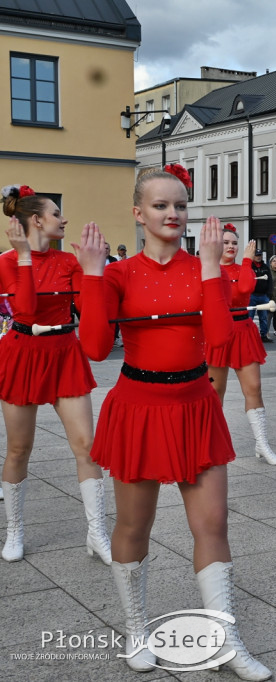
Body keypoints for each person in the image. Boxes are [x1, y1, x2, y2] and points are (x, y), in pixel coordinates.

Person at [76, 166, 270, 678]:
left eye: (181, 205)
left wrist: (210, 270)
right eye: (161, 206)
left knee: (212, 524)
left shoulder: (204, 265)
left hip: (195, 405)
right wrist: (93, 274)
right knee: (134, 526)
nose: (174, 214)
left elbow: (223, 343)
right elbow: (95, 347)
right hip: (138, 408)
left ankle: (225, 641)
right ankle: (136, 629)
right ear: (139, 213)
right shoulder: (118, 274)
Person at [0, 184, 110, 564]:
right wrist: (25, 257)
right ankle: (14, 530)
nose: (64, 219)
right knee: (19, 449)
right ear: (36, 220)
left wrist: (94, 271)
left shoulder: (68, 263)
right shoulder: (6, 261)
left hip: (65, 353)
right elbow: (25, 312)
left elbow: (92, 314)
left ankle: (97, 533)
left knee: (87, 446)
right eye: (56, 213)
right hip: (22, 354)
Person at [207, 225, 276, 466]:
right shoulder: (209, 270)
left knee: (254, 387)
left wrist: (247, 262)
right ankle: (211, 443)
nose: (230, 246)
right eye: (225, 242)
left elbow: (247, 289)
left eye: (234, 243)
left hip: (243, 330)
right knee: (215, 393)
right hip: (218, 331)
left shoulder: (243, 268)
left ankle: (262, 443)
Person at [250, 249, 273, 343]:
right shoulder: (249, 267)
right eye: (256, 255)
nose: (258, 257)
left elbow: (270, 281)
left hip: (263, 295)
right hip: (252, 295)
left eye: (259, 255)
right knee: (249, 317)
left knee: (263, 317)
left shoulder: (266, 267)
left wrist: (269, 293)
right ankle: (249, 335)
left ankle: (264, 335)